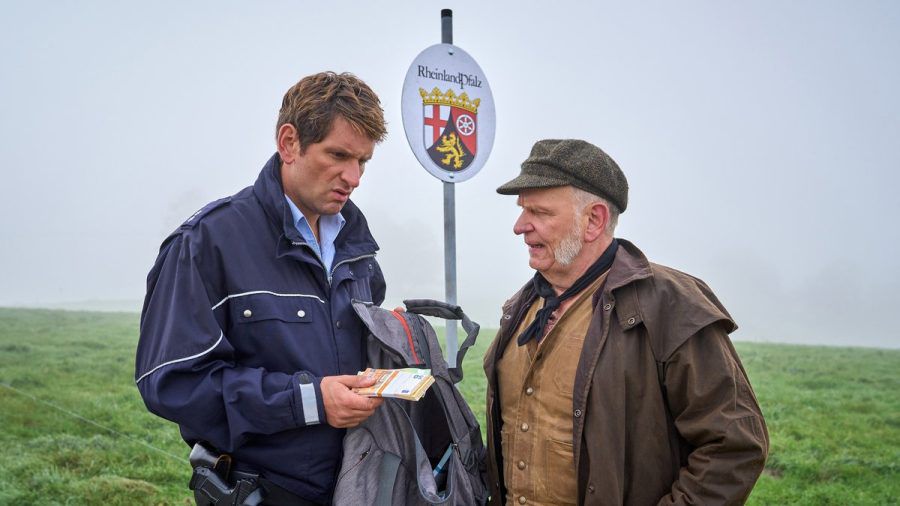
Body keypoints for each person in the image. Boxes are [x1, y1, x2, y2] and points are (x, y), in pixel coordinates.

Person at [135, 71, 389, 505]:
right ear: (289, 143)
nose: (354, 177)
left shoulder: (358, 249)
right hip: (262, 491)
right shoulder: (207, 243)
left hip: (354, 487)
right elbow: (171, 383)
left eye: (362, 161)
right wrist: (307, 401)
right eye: (339, 155)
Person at [484, 139, 769, 505]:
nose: (520, 226)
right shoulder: (522, 305)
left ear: (594, 220)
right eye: (523, 210)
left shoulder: (672, 305)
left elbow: (734, 447)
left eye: (539, 212)